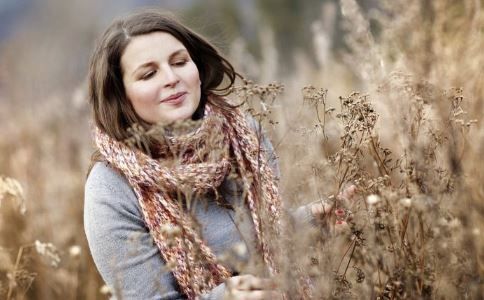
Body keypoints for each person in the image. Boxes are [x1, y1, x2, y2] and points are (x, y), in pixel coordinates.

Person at [84, 8, 353, 300]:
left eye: (180, 62)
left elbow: (259, 241)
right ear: (120, 95)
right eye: (149, 74)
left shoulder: (242, 135)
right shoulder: (110, 188)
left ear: (197, 69)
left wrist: (309, 223)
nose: (172, 78)